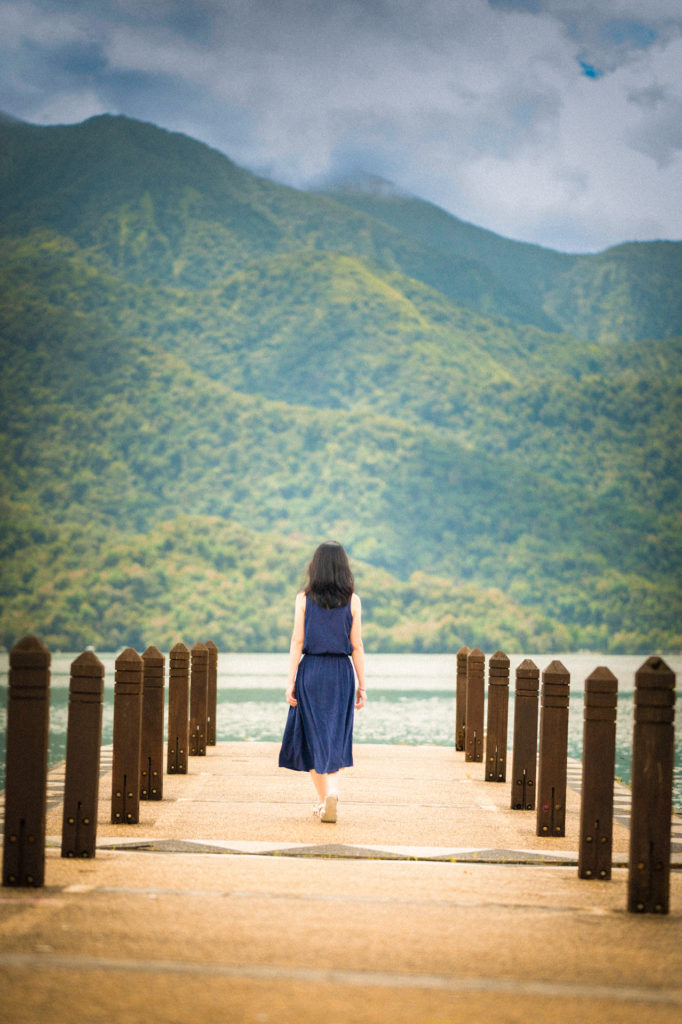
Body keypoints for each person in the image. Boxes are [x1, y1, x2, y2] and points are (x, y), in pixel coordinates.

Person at [278, 541, 366, 823]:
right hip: (341, 673)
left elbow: (297, 640)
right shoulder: (353, 600)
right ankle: (332, 793)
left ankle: (323, 799)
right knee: (335, 734)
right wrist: (362, 685)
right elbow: (357, 646)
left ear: (314, 566)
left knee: (312, 735)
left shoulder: (303, 599)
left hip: (312, 671)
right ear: (344, 567)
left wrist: (291, 680)